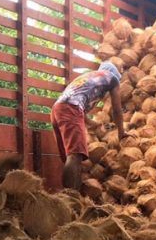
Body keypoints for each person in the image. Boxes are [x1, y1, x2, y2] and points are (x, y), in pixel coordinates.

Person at [51, 61, 125, 191]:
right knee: (75, 156)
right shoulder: (112, 78)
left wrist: (92, 123)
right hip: (71, 109)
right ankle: (69, 197)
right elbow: (117, 110)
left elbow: (78, 103)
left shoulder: (89, 78)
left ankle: (71, 195)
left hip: (57, 109)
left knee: (70, 157)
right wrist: (121, 132)